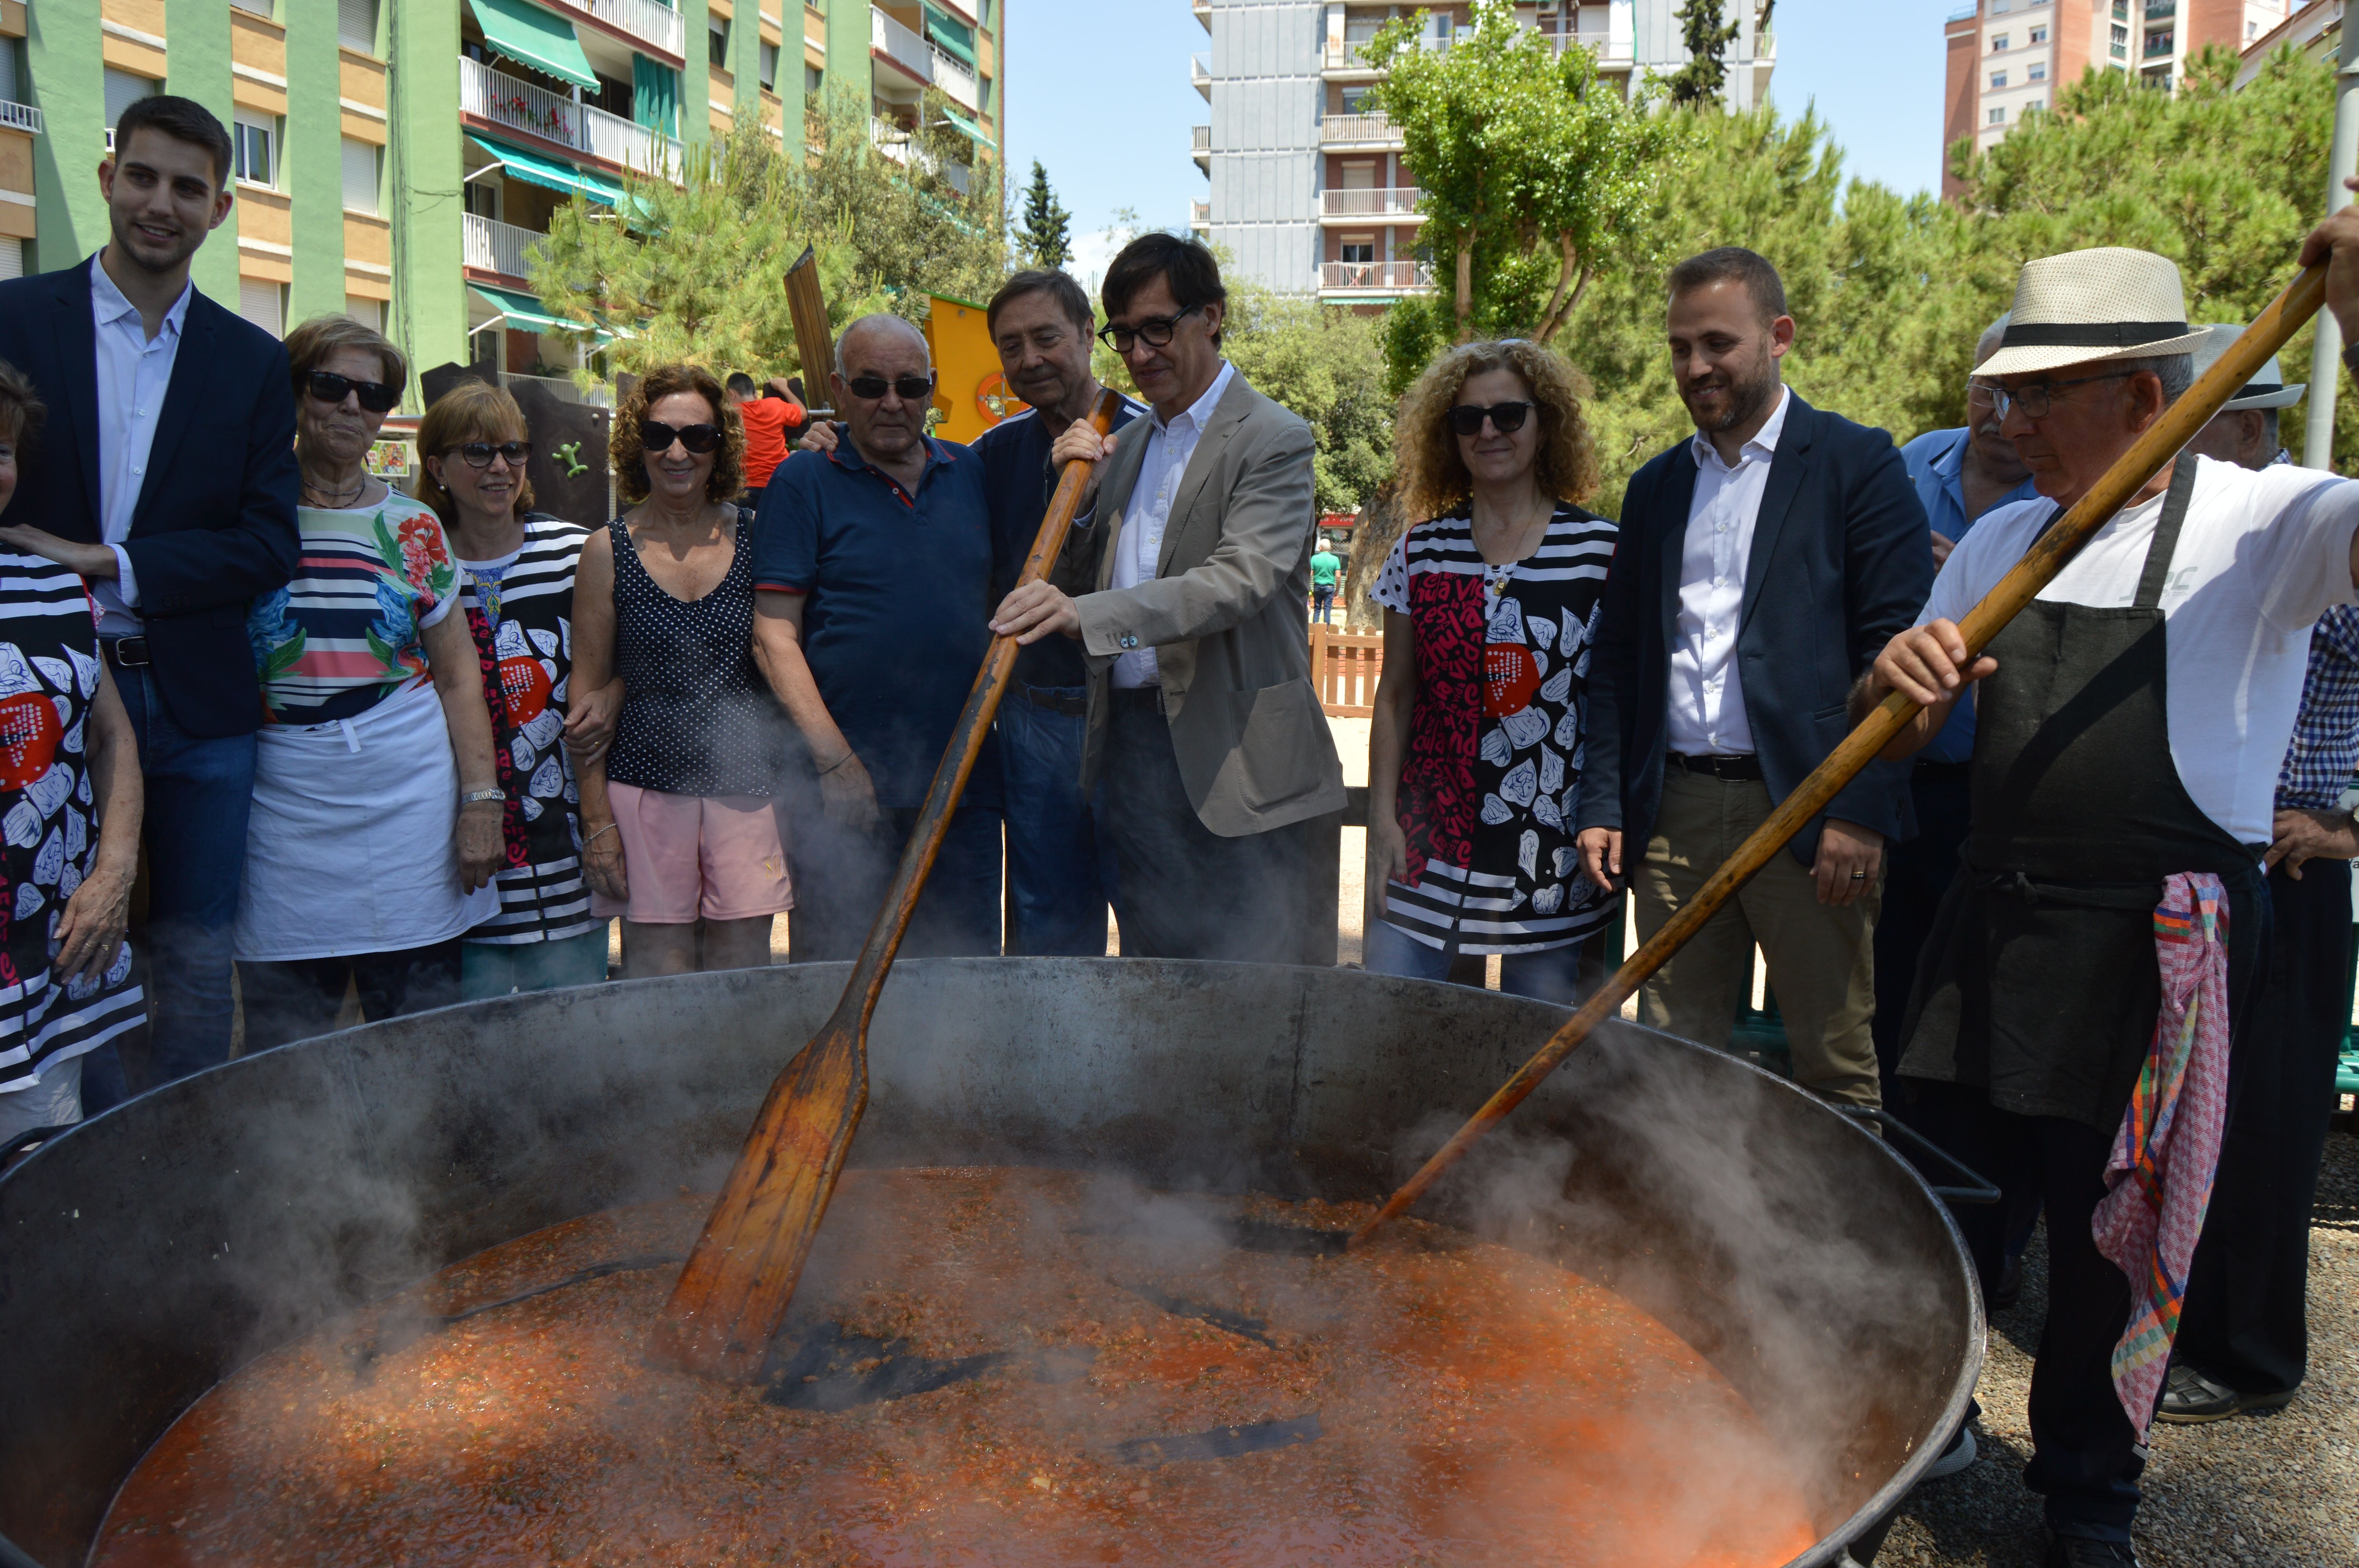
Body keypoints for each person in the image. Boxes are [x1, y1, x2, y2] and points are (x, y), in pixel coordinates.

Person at [1859, 236, 2359, 1568]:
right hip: (1988, 921)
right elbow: (1893, 737)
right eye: (2001, 396)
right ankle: (1916, 1428)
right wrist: (1889, 689)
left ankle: (2088, 1498)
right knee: (1937, 1203)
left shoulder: (2268, 527)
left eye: (2039, 395)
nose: (2004, 421)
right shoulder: (2001, 538)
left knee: (2107, 1245)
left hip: (2153, 949)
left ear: (2145, 401)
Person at [1574, 247, 1930, 1110]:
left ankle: (1839, 1249)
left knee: (1833, 1064)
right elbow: (1616, 658)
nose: (1694, 367)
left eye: (1716, 343)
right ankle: (1679, 1240)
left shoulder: (1856, 463)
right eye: (1678, 347)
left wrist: (1858, 807)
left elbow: (1900, 655)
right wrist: (1600, 803)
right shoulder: (1656, 486)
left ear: (1778, 337)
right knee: (1669, 1059)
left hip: (1812, 807)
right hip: (1676, 813)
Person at [0, 94, 298, 1103]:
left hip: (199, 700)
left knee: (197, 959)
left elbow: (269, 542)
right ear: (107, 178)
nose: (158, 203)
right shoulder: (10, 320)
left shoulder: (255, 362)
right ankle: (71, 1171)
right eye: (142, 176)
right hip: (46, 691)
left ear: (219, 209)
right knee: (56, 944)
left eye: (186, 187)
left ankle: (180, 1173)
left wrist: (108, 558)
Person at [991, 234, 1346, 962]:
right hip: (1132, 756)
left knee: (1257, 981)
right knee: (1158, 975)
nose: (1140, 352)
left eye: (1159, 327)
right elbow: (1100, 572)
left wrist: (1083, 616)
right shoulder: (1128, 443)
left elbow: (1237, 581)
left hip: (1238, 759)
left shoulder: (1274, 436)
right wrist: (1080, 503)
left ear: (1211, 316)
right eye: (1124, 335)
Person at [796, 272, 1148, 958]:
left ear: (1085, 334)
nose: (1029, 359)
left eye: (1046, 338)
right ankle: (1044, 1063)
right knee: (1047, 919)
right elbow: (897, 468)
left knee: (1153, 909)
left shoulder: (1152, 439)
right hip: (1037, 718)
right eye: (1010, 346)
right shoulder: (988, 457)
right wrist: (831, 443)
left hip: (1138, 717)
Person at [2162, 324, 2346, 1425]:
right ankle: (2183, 1327)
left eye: (2197, 417)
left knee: (2268, 1121)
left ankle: (2253, 1357)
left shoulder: (2310, 526)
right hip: (2202, 862)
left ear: (2248, 423)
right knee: (2196, 1114)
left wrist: (2349, 830)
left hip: (2291, 865)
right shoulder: (2203, 533)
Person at [233, 315, 503, 1049]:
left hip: (407, 798)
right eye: (331, 386)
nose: (354, 406)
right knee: (284, 1041)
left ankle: (418, 1165)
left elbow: (457, 678)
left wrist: (481, 802)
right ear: (294, 393)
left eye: (375, 394)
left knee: (417, 1030)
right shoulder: (244, 515)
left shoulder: (414, 526)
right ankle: (302, 1168)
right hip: (282, 802)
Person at [1364, 339, 1620, 1002]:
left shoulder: (1600, 553)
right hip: (1424, 846)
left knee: (1536, 1056)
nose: (1488, 431)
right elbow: (1394, 697)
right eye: (1467, 419)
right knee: (1389, 1029)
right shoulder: (1420, 551)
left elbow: (1614, 703)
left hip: (1550, 855)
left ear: (1545, 424)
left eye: (1509, 415)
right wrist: (1383, 821)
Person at [754, 316, 1003, 961]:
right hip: (844, 794)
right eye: (870, 385)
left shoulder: (971, 472)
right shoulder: (802, 481)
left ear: (933, 389)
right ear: (838, 390)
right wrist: (836, 765)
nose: (892, 402)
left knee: (963, 978)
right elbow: (773, 637)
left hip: (961, 790)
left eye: (910, 385)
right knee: (841, 974)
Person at [574, 364, 791, 978]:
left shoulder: (755, 534)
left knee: (741, 967)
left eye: (697, 437)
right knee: (657, 972)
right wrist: (596, 823)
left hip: (745, 783)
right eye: (659, 435)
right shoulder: (606, 549)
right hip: (644, 786)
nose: (677, 452)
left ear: (719, 446)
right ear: (635, 444)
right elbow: (585, 696)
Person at [1879, 315, 2045, 1109]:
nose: (2000, 411)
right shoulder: (1910, 462)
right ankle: (1896, 1161)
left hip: (1997, 794)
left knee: (1978, 1001)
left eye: (2023, 393)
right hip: (1901, 773)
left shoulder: (2059, 494)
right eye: (1989, 388)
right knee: (1890, 981)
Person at [414, 379, 617, 1000]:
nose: (500, 467)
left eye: (513, 450)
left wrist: (616, 691)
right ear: (436, 467)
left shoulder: (573, 552)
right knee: (473, 1042)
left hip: (562, 834)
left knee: (570, 1031)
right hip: (455, 844)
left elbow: (629, 653)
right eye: (477, 453)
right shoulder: (419, 562)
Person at [0, 362, 146, 1147]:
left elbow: (108, 734)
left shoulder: (56, 587)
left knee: (37, 1196)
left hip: (43, 958)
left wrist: (114, 870)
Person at [2177, 323, 2304, 470]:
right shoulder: (2293, 490)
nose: (2165, 440)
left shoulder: (2293, 493)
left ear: (2248, 431)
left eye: (2185, 424)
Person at [726, 371, 805, 506]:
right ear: (755, 394)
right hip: (780, 482)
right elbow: (803, 413)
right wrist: (784, 388)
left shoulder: (730, 414)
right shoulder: (775, 406)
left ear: (731, 394)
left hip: (745, 490)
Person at [1309, 538, 1342, 624]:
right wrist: (1337, 591)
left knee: (1317, 609)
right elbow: (1338, 576)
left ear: (1320, 548)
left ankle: (1314, 628)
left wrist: (1308, 587)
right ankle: (1326, 630)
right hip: (1330, 587)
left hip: (1317, 586)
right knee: (1327, 609)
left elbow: (1310, 574)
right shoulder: (1335, 559)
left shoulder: (1315, 558)